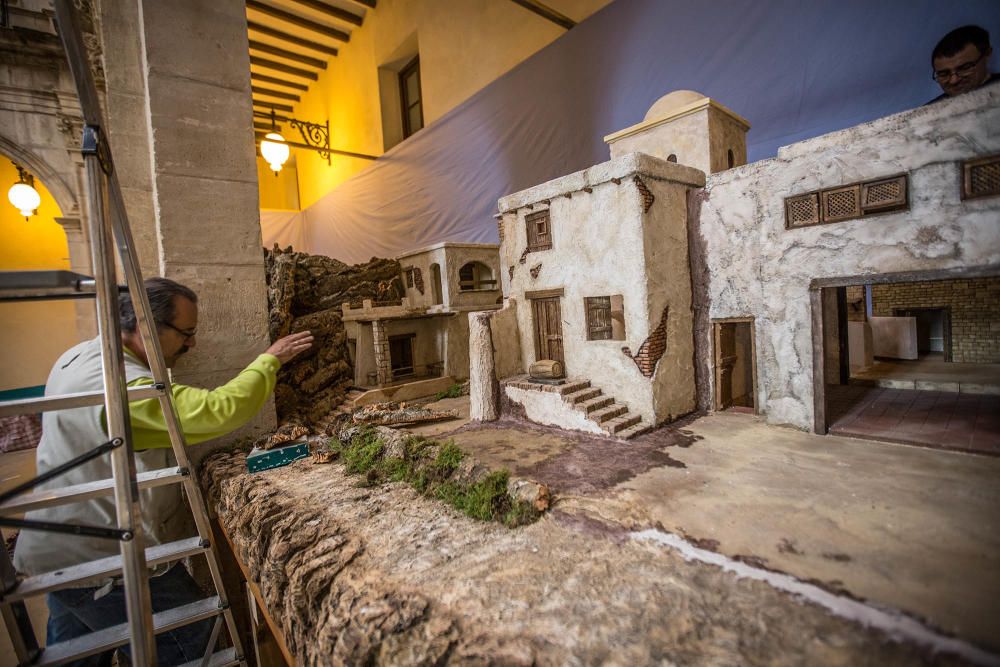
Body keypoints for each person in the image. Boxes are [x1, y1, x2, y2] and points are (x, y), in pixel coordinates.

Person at [12, 277, 313, 666]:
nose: (192, 344)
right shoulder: (126, 389)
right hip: (107, 562)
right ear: (144, 324)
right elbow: (218, 410)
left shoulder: (78, 356)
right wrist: (270, 359)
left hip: (60, 553)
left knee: (76, 655)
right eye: (186, 333)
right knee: (194, 644)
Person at [929, 25, 998, 102]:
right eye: (944, 74)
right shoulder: (928, 111)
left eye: (964, 68)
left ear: (987, 54)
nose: (954, 80)